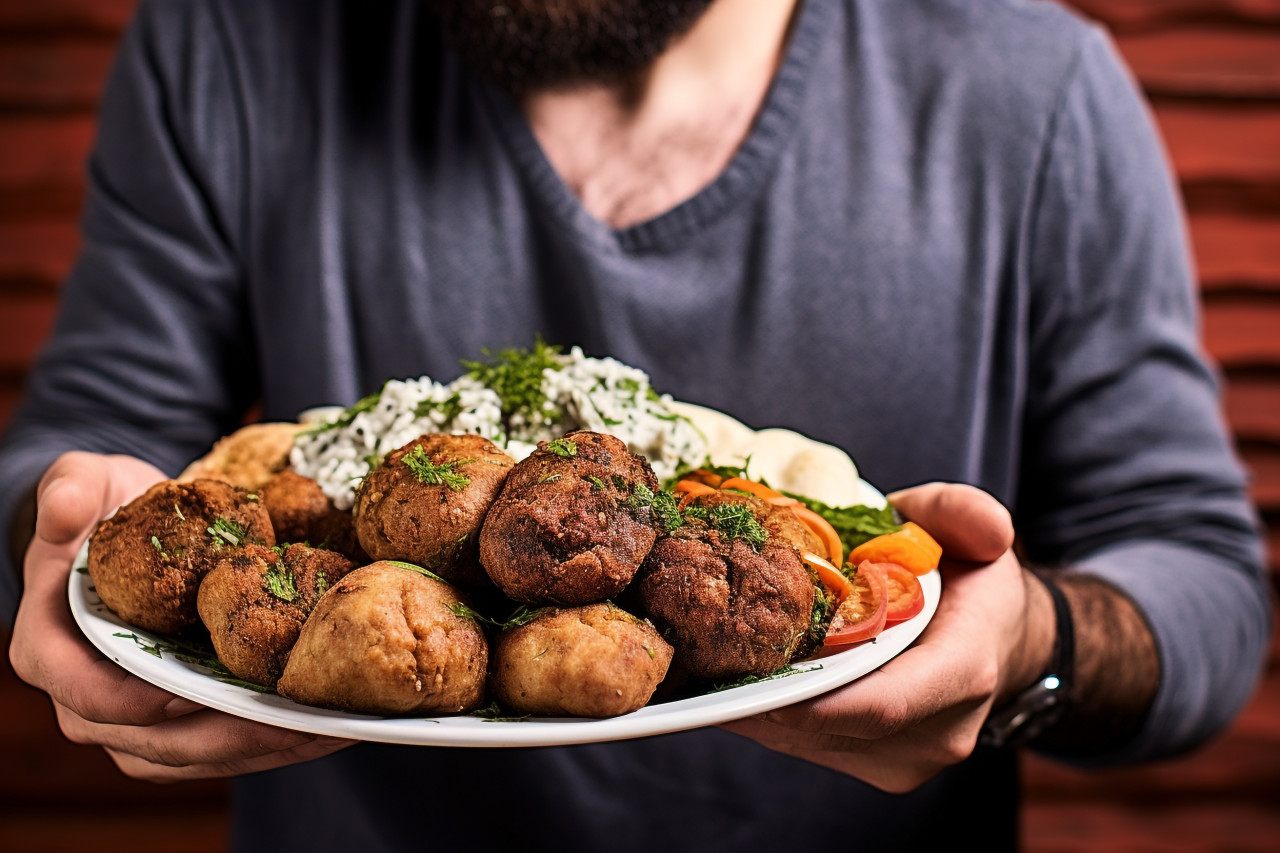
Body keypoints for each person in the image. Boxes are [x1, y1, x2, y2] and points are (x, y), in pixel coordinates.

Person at [1, 0, 1269, 849]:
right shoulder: (228, 43)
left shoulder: (1032, 89)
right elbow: (75, 444)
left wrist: (1030, 640)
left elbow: (1201, 586)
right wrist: (53, 546)